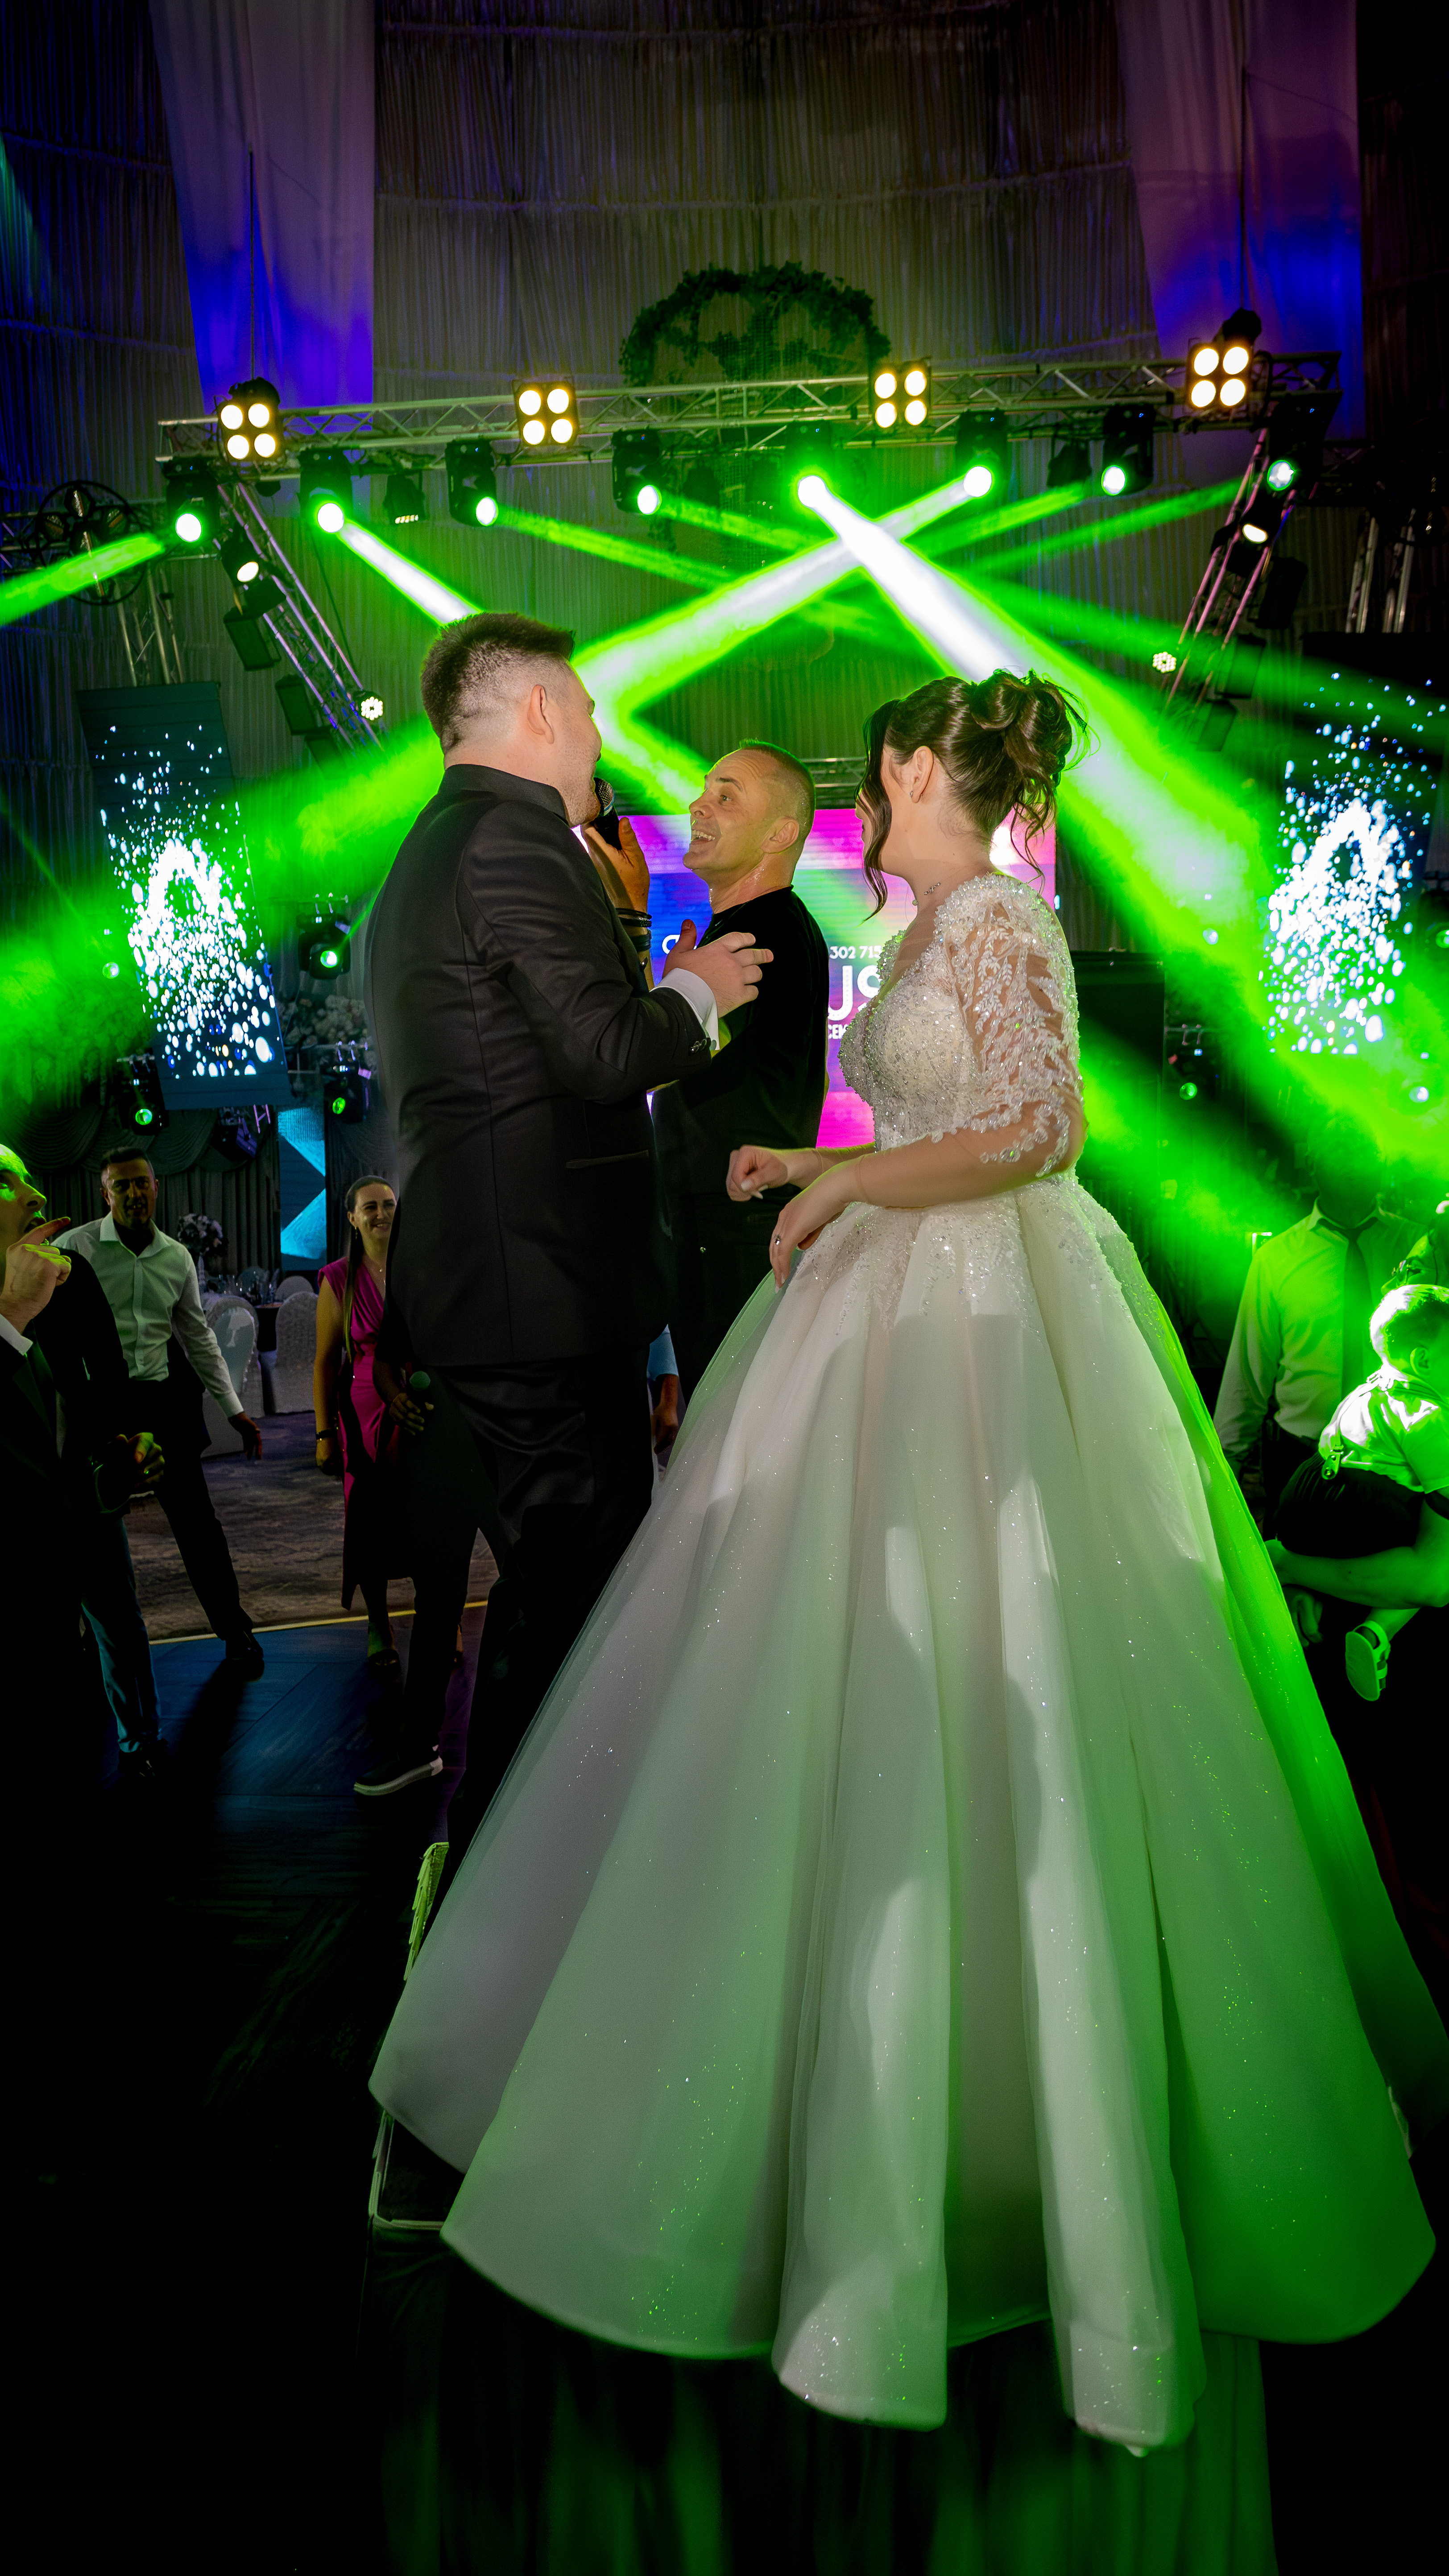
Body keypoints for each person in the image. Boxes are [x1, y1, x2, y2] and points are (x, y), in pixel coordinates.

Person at [372, 670, 1445, 2488]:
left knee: (991, 1646)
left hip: (986, 1333)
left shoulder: (1000, 920)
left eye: (875, 767)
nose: (863, 792)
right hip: (902, 1302)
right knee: (833, 1661)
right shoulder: (934, 921)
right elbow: (953, 1124)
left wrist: (845, 1194)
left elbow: (1036, 1136)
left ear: (913, 768)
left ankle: (1020, 2140)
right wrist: (822, 1158)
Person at [361, 611, 771, 1809]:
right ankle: (515, 1867)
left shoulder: (441, 846)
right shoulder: (511, 838)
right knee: (582, 1602)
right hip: (537, 1290)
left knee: (556, 1593)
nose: (597, 734)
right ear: (539, 709)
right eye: (588, 710)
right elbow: (602, 1051)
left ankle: (509, 1858)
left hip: (505, 1287)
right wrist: (697, 988)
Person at [617, 743, 829, 1400]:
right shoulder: (746, 927)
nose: (698, 805)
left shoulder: (759, 934)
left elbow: (649, 1062)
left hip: (733, 1227)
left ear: (780, 834)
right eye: (705, 790)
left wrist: (641, 944)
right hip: (724, 1222)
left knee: (734, 1429)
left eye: (726, 795)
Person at [58, 1149, 266, 1676]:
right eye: (121, 1185)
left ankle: (235, 1629)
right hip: (97, 1405)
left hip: (159, 1400)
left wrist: (234, 1409)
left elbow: (197, 1336)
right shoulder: (75, 1248)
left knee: (197, 1523)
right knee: (88, 1528)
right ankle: (83, 1641)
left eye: (141, 1183)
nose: (133, 1193)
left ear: (156, 1187)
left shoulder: (176, 1257)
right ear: (106, 1194)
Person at [1, 1144, 168, 1772]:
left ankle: (140, 1738)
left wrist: (126, 1440)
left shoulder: (70, 1273)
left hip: (80, 1480)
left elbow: (108, 1368)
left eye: (29, 1177)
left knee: (116, 1615)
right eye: (5, 1183)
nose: (35, 1194)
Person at [1213, 1120, 1417, 1511]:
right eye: (1338, 1151)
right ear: (1311, 1164)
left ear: (1383, 1162)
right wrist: (1227, 1463)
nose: (1352, 1163)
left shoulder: (1416, 1247)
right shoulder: (1277, 1258)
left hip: (1402, 1456)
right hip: (1300, 1455)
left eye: (1364, 1151)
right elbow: (1248, 1371)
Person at [1268, 1284, 1449, 1699]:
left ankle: (1370, 1627)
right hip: (1365, 1515)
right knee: (1435, 1558)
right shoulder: (1428, 1418)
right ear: (1423, 1360)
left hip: (1310, 1497)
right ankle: (1294, 1571)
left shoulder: (1366, 1391)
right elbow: (1435, 1580)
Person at [314, 1174, 409, 1676]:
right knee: (369, 1517)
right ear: (352, 1218)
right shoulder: (338, 1277)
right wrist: (324, 1432)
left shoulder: (418, 1267)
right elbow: (325, 1363)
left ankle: (445, 1614)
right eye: (370, 1207)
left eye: (388, 1204)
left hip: (421, 1401)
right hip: (364, 1413)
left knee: (430, 1512)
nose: (381, 1213)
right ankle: (378, 1621)